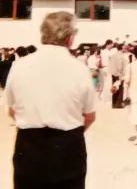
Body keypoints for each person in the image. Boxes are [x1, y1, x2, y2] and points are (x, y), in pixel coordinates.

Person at [4, 11, 97, 189]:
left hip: (29, 145)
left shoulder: (20, 66)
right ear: (70, 38)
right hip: (68, 146)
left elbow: (11, 109)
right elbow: (90, 116)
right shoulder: (79, 69)